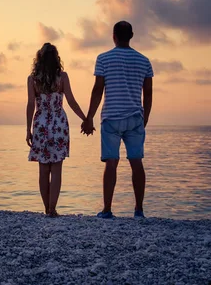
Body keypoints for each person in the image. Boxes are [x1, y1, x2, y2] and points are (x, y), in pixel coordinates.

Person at [81, 21, 153, 219]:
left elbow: (98, 90)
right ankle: (138, 210)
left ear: (114, 36)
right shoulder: (144, 61)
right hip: (135, 117)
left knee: (111, 163)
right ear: (132, 35)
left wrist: (89, 117)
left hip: (111, 117)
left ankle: (107, 209)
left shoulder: (104, 58)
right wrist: (144, 117)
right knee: (136, 162)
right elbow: (148, 93)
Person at [26, 43, 87, 217]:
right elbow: (72, 102)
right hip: (59, 124)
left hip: (41, 124)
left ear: (39, 58)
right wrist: (85, 118)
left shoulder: (33, 79)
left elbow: (31, 104)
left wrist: (27, 129)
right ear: (56, 58)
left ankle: (46, 208)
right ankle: (53, 208)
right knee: (57, 168)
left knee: (43, 169)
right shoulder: (63, 77)